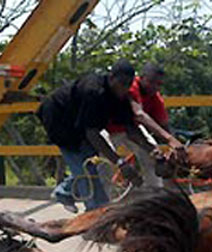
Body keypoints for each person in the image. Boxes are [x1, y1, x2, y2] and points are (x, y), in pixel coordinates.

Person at [37, 58, 164, 213]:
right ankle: (96, 212)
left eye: (128, 85)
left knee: (94, 162)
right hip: (59, 119)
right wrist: (120, 163)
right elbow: (92, 134)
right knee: (86, 169)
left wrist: (150, 149)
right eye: (122, 83)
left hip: (81, 123)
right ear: (111, 78)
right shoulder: (93, 92)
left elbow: (131, 130)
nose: (125, 89)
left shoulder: (120, 97)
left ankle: (64, 191)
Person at [105, 62, 184, 188]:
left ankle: (154, 193)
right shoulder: (131, 87)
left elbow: (164, 125)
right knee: (104, 163)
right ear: (141, 77)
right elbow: (139, 115)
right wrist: (171, 140)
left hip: (132, 131)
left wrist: (173, 146)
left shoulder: (155, 97)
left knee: (153, 156)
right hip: (108, 129)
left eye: (159, 84)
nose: (155, 87)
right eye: (151, 82)